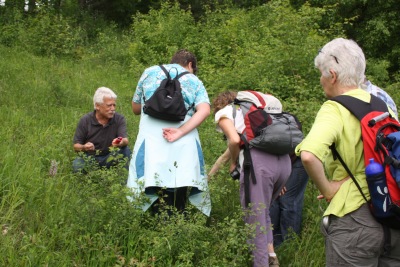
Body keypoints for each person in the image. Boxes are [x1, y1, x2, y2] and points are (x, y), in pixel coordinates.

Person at [295, 38, 400, 266]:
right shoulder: (384, 105)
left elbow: (309, 155)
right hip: (392, 214)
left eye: (321, 75)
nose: (321, 81)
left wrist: (330, 189)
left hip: (355, 222)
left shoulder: (335, 108)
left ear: (332, 75)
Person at [127, 49, 211, 217]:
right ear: (190, 65)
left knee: (150, 177)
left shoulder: (149, 72)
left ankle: (151, 223)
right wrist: (180, 131)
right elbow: (205, 110)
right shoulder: (194, 80)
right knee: (181, 179)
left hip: (151, 137)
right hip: (182, 139)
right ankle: (177, 223)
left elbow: (135, 108)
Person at [213, 90, 291, 267]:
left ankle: (261, 263)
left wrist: (234, 163)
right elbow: (232, 148)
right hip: (284, 163)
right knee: (263, 212)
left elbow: (233, 141)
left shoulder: (224, 112)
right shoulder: (254, 113)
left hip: (259, 166)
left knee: (254, 219)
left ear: (219, 104)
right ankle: (272, 257)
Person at [72, 87, 131, 173]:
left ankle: (124, 182)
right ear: (97, 106)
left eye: (114, 105)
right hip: (91, 157)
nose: (113, 108)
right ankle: (86, 183)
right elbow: (76, 146)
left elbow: (125, 140)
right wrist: (84, 147)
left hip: (111, 156)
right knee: (77, 164)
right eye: (109, 105)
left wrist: (120, 142)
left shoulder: (119, 119)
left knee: (125, 150)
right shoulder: (85, 120)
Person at [270, 155, 309, 247]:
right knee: (274, 197)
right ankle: (275, 245)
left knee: (288, 199)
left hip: (299, 156)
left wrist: (279, 179)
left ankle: (290, 245)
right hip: (279, 159)